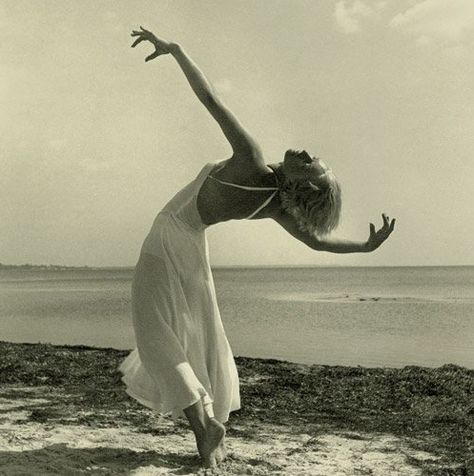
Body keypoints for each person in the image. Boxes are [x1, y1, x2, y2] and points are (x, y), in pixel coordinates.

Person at [119, 27, 396, 469]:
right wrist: (365, 247)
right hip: (193, 249)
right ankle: (206, 431)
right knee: (191, 340)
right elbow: (319, 244)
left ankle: (206, 427)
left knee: (157, 337)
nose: (303, 152)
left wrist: (177, 51)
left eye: (309, 162)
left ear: (301, 184)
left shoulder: (250, 158)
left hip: (171, 235)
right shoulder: (275, 205)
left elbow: (210, 100)